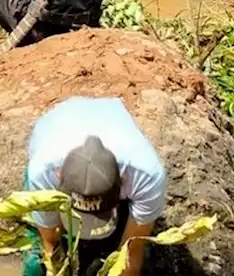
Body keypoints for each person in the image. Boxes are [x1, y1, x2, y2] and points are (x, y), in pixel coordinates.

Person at [23, 97, 167, 276]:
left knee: (134, 255)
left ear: (122, 180)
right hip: (59, 122)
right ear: (59, 177)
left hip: (114, 124)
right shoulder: (44, 173)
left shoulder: (146, 176)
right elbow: (50, 241)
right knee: (37, 263)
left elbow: (131, 253)